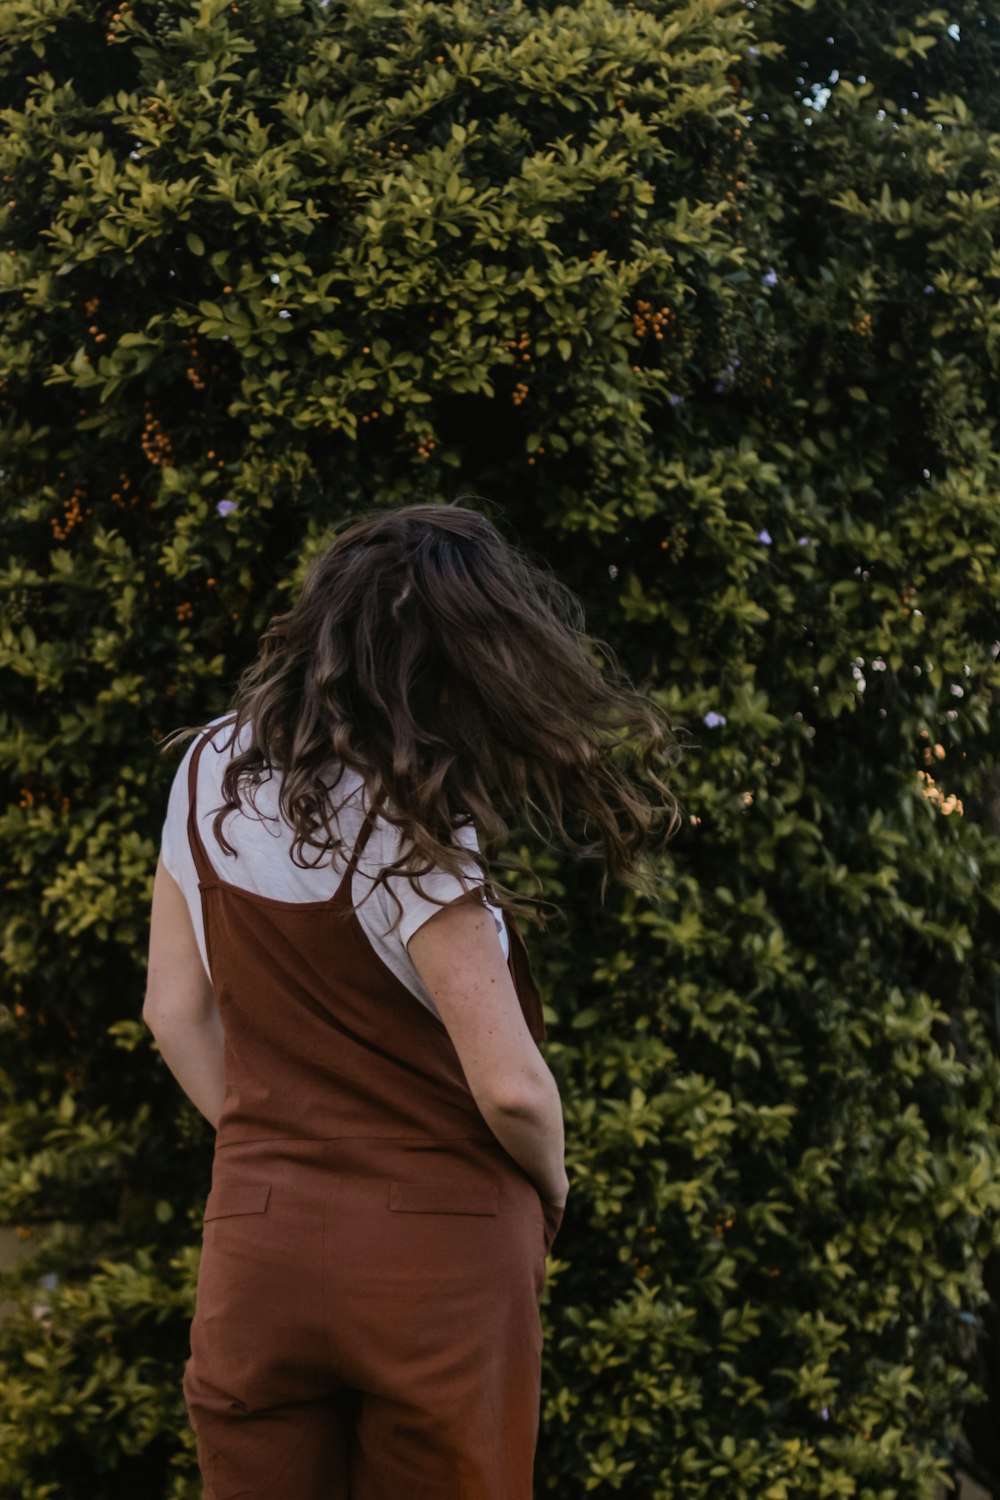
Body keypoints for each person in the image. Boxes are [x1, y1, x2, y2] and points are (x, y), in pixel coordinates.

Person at [143, 500, 683, 1500]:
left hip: (260, 1246)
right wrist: (549, 1191)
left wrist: (279, 1146)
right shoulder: (409, 817)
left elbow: (172, 1012)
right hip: (437, 1256)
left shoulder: (206, 767)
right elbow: (512, 1090)